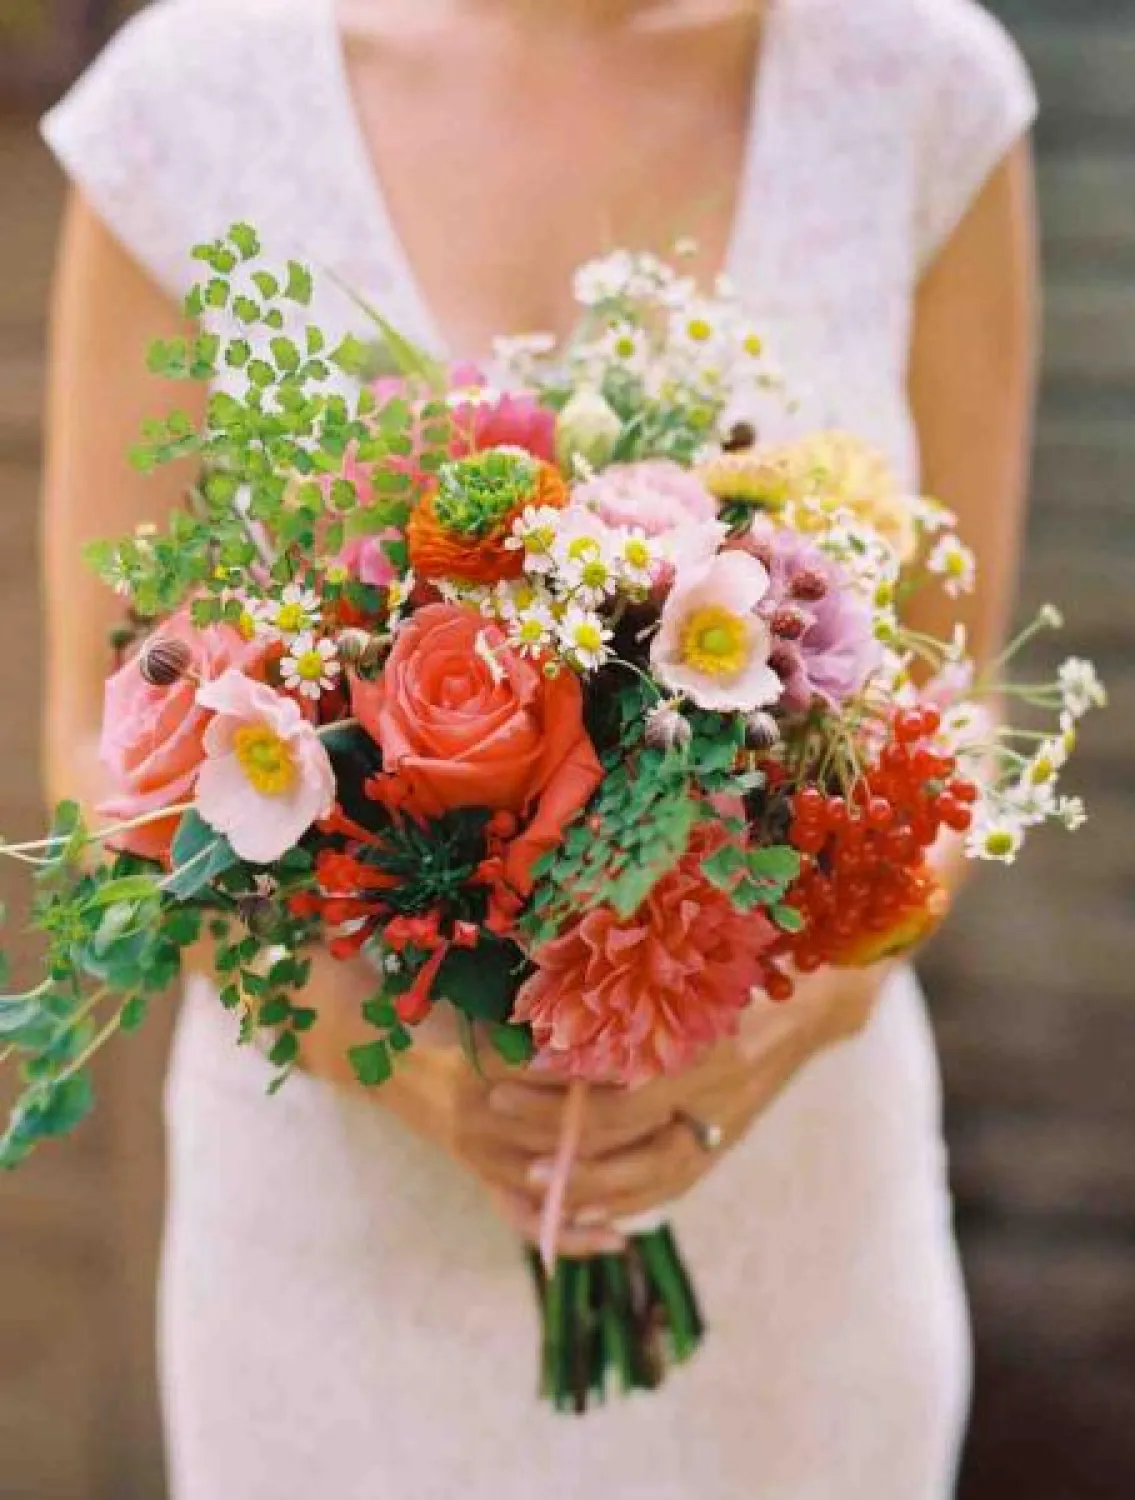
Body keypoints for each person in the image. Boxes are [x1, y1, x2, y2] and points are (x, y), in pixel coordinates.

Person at [39, 0, 1038, 1495]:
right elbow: (91, 732)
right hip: (336, 1254)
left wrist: (800, 1018)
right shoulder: (188, 101)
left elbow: (965, 698)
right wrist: (388, 1058)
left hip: (788, 1230)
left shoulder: (923, 83)